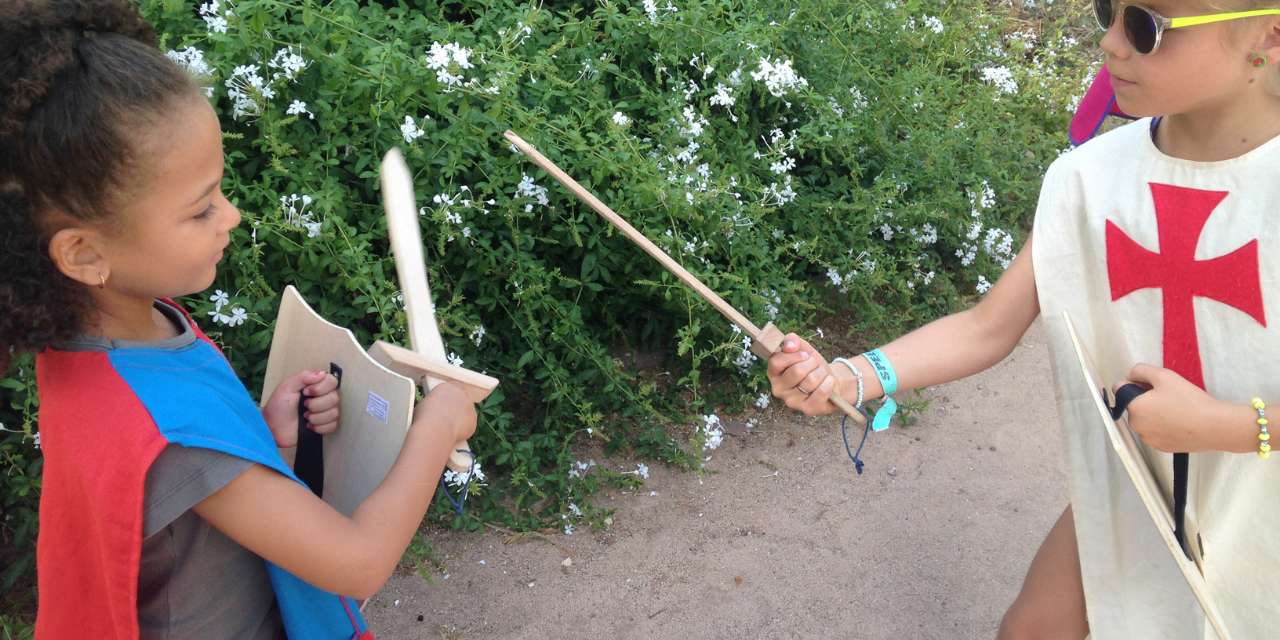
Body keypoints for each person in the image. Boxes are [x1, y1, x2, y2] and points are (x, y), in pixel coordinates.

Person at [767, 1, 1280, 638]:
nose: (1111, 45)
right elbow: (988, 326)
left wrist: (1229, 426)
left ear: (1269, 35)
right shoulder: (1086, 178)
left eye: (1146, 26)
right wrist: (849, 377)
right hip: (1142, 482)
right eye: (1108, 9)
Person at [0, 1, 476, 638]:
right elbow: (357, 561)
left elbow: (170, 491)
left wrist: (259, 440)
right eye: (200, 210)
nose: (231, 217)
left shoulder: (107, 343)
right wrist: (438, 424)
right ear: (85, 253)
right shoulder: (170, 433)